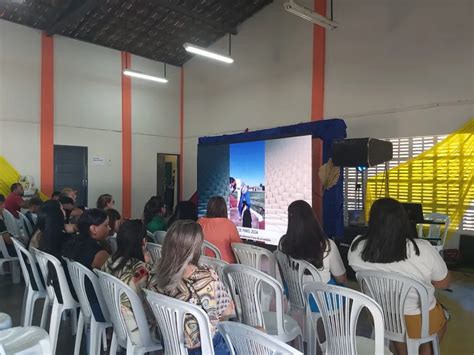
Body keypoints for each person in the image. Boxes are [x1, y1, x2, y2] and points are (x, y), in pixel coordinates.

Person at [348, 198, 450, 355]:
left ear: (372, 220)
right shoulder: (422, 249)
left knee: (394, 315)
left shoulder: (357, 247)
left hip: (381, 316)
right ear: (404, 221)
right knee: (443, 316)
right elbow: (443, 283)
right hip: (418, 320)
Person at [149, 220, 234, 354]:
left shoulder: (154, 273)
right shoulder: (206, 277)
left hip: (169, 344)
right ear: (196, 248)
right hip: (205, 348)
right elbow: (227, 311)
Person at [279, 200, 346, 313]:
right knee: (345, 289)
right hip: (321, 301)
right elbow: (341, 278)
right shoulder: (326, 245)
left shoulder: (283, 243)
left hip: (294, 295)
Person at [101, 220, 155, 344]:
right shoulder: (141, 270)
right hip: (139, 331)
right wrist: (148, 264)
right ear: (143, 242)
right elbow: (150, 303)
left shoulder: (109, 262)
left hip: (118, 324)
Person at [62, 209, 111, 321]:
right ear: (93, 229)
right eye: (106, 225)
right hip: (96, 305)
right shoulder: (99, 254)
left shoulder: (72, 243)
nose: (109, 228)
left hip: (80, 300)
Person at [198, 196, 242, 263]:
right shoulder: (229, 225)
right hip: (225, 267)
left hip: (203, 266)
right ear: (224, 209)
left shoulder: (199, 222)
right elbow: (239, 248)